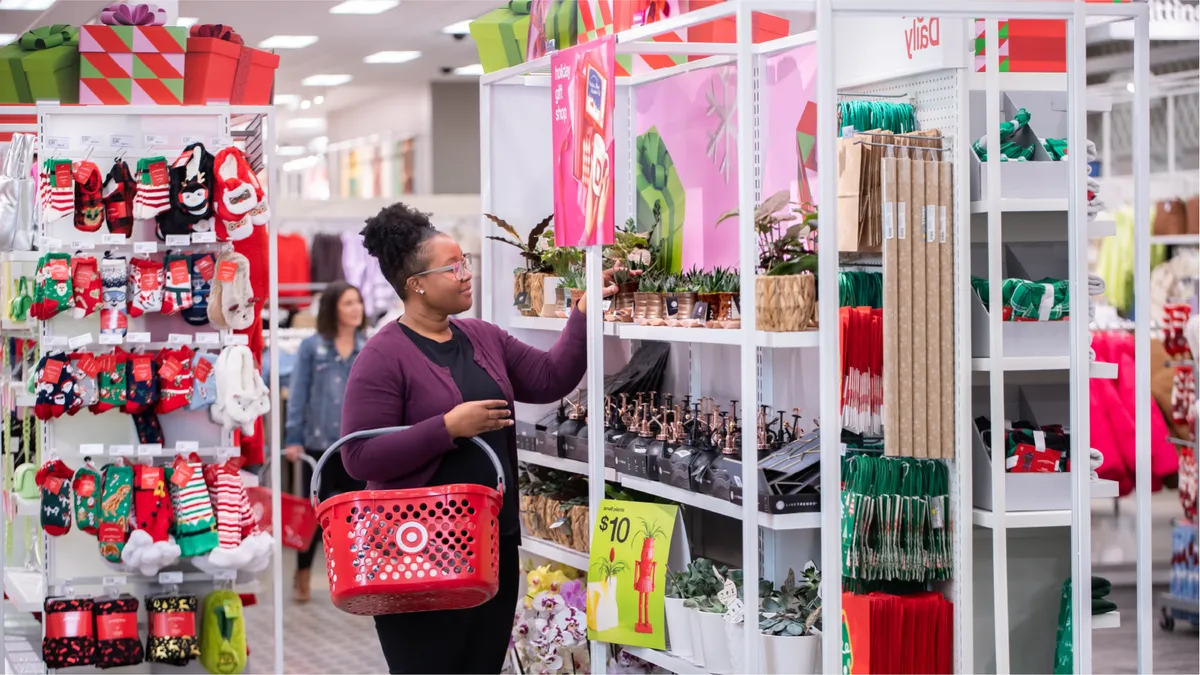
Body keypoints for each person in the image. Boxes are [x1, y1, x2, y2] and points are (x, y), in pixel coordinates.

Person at [340, 203, 617, 674]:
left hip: (491, 544)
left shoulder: (483, 337)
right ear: (417, 284)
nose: (466, 274)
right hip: (417, 552)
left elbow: (550, 378)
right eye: (454, 267)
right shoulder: (382, 356)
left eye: (464, 261)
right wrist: (447, 428)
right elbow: (358, 456)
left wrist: (583, 313)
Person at [283, 280, 368, 603]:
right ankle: (302, 575)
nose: (356, 309)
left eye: (357, 302)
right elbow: (299, 394)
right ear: (333, 308)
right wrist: (293, 437)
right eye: (348, 303)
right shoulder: (311, 348)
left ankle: (358, 577)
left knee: (359, 513)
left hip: (356, 445)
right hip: (318, 445)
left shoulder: (367, 347)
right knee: (314, 514)